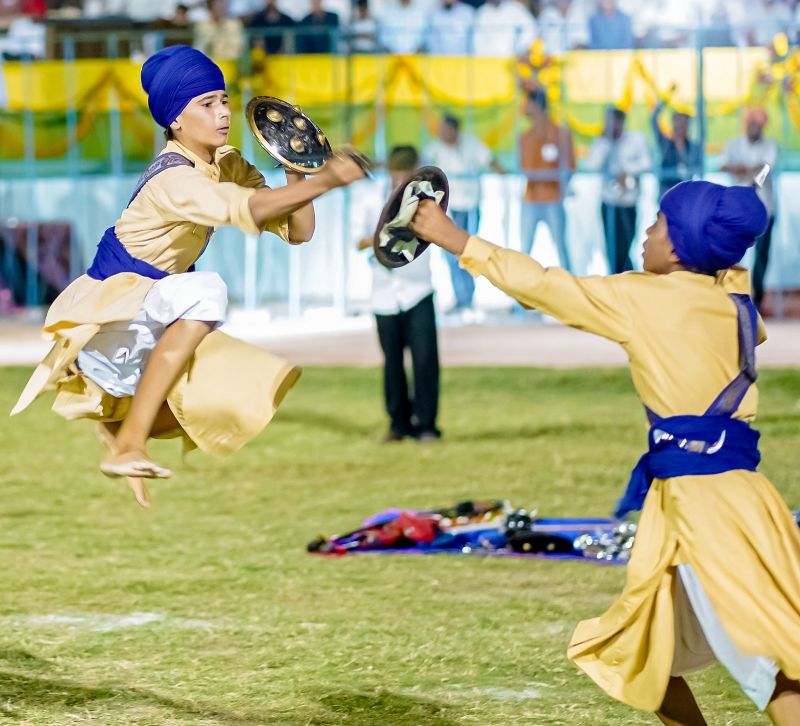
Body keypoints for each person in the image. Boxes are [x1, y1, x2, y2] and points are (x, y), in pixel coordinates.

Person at [408, 179, 800, 726]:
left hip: (703, 510)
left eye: (660, 222)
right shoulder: (734, 306)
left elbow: (544, 286)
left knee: (769, 670)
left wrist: (454, 238)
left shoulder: (643, 299)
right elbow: (729, 288)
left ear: (680, 244)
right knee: (648, 655)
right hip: (744, 502)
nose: (647, 230)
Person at [10, 45, 365, 506]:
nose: (222, 113)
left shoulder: (226, 162)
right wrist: (327, 180)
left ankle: (121, 434)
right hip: (113, 315)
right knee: (207, 292)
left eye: (223, 100)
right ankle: (129, 440)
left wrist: (297, 168)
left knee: (234, 396)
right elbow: (252, 207)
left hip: (147, 316)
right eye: (206, 104)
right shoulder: (173, 178)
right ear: (175, 119)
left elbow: (299, 230)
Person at [356, 146, 441, 444]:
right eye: (397, 171)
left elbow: (437, 232)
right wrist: (386, 234)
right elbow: (360, 240)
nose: (400, 177)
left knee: (425, 360)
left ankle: (427, 425)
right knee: (391, 362)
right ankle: (398, 423)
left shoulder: (427, 199)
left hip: (418, 289)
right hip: (383, 294)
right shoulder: (370, 198)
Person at [422, 113, 503, 312]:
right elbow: (421, 165)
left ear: (455, 130)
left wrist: (505, 174)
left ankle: (468, 297)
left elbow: (490, 160)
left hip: (470, 206)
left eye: (446, 129)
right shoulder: (435, 147)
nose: (442, 133)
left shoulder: (471, 144)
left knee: (470, 250)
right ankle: (460, 297)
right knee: (450, 254)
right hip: (448, 208)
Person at [720, 108, 778, 312]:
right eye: (751, 123)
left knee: (762, 256)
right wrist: (751, 168)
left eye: (758, 123)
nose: (754, 126)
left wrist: (745, 170)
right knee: (733, 254)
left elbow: (764, 172)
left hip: (764, 210)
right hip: (738, 211)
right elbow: (724, 165)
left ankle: (758, 300)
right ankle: (732, 296)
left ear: (763, 126)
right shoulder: (734, 144)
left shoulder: (770, 146)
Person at [586, 107, 651, 274]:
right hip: (609, 202)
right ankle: (622, 280)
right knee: (611, 249)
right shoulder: (601, 142)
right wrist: (605, 143)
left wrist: (626, 171)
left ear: (621, 122)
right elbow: (592, 165)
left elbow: (646, 163)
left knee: (624, 248)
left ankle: (628, 280)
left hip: (628, 203)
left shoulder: (635, 140)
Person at [518, 88, 575, 272]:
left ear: (537, 105)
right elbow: (524, 167)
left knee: (562, 248)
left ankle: (571, 293)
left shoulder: (560, 134)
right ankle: (519, 296)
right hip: (531, 199)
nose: (524, 106)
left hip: (553, 199)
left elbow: (570, 166)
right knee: (523, 251)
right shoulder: (524, 137)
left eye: (528, 102)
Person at [651, 97, 701, 197]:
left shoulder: (693, 147)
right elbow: (653, 122)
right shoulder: (665, 143)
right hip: (666, 193)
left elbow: (696, 167)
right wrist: (662, 103)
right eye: (677, 123)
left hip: (685, 195)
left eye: (683, 124)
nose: (680, 127)